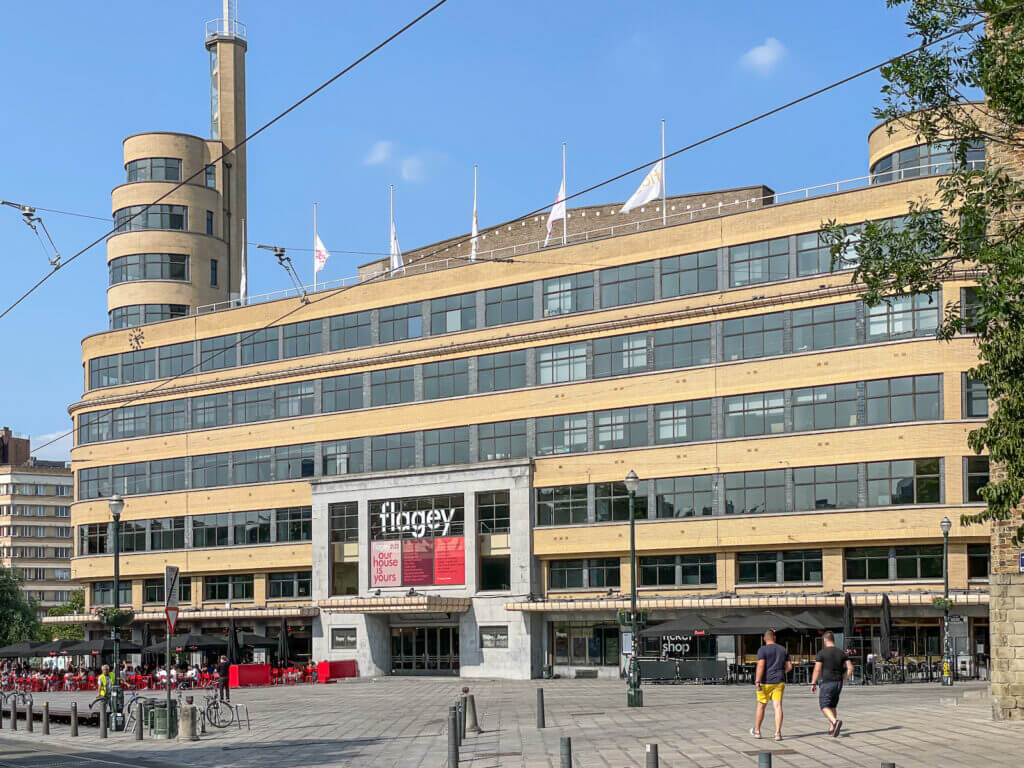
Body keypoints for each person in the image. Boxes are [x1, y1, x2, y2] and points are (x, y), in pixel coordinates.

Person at [750, 629, 792, 741]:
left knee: (761, 706)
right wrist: (781, 673)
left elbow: (761, 666)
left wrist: (757, 681)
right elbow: (789, 667)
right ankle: (778, 733)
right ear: (774, 638)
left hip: (765, 682)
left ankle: (757, 731)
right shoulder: (783, 649)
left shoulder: (762, 650)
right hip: (779, 681)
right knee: (778, 706)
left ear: (764, 639)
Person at [811, 631, 855, 737]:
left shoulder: (821, 653)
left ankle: (835, 722)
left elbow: (817, 670)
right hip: (838, 683)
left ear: (825, 640)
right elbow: (851, 668)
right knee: (832, 705)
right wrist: (845, 677)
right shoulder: (841, 652)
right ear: (833, 640)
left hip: (827, 682)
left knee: (824, 705)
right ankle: (832, 728)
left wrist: (813, 683)